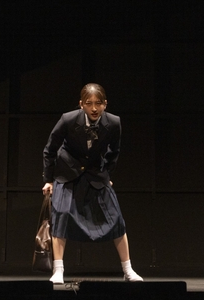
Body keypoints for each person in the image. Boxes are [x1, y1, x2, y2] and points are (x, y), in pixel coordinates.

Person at [42, 83, 143, 284]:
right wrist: (48, 180)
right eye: (89, 103)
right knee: (61, 215)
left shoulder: (113, 122)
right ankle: (58, 270)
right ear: (81, 104)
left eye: (99, 103)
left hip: (96, 173)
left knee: (116, 219)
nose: (94, 108)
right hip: (68, 172)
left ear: (105, 104)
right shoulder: (68, 119)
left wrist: (107, 174)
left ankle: (128, 270)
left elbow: (114, 152)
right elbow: (50, 150)